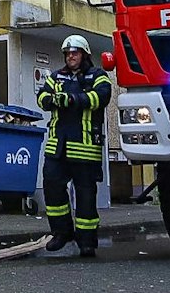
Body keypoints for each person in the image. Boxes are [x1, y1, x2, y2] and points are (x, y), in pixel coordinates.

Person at [37, 35, 113, 258]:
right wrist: (53, 99)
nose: (71, 56)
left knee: (86, 196)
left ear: (85, 54)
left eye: (75, 52)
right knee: (52, 188)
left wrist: (72, 99)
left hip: (85, 146)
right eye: (68, 53)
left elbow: (101, 97)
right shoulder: (56, 76)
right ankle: (61, 232)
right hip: (57, 147)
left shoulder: (98, 76)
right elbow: (42, 97)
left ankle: (87, 241)